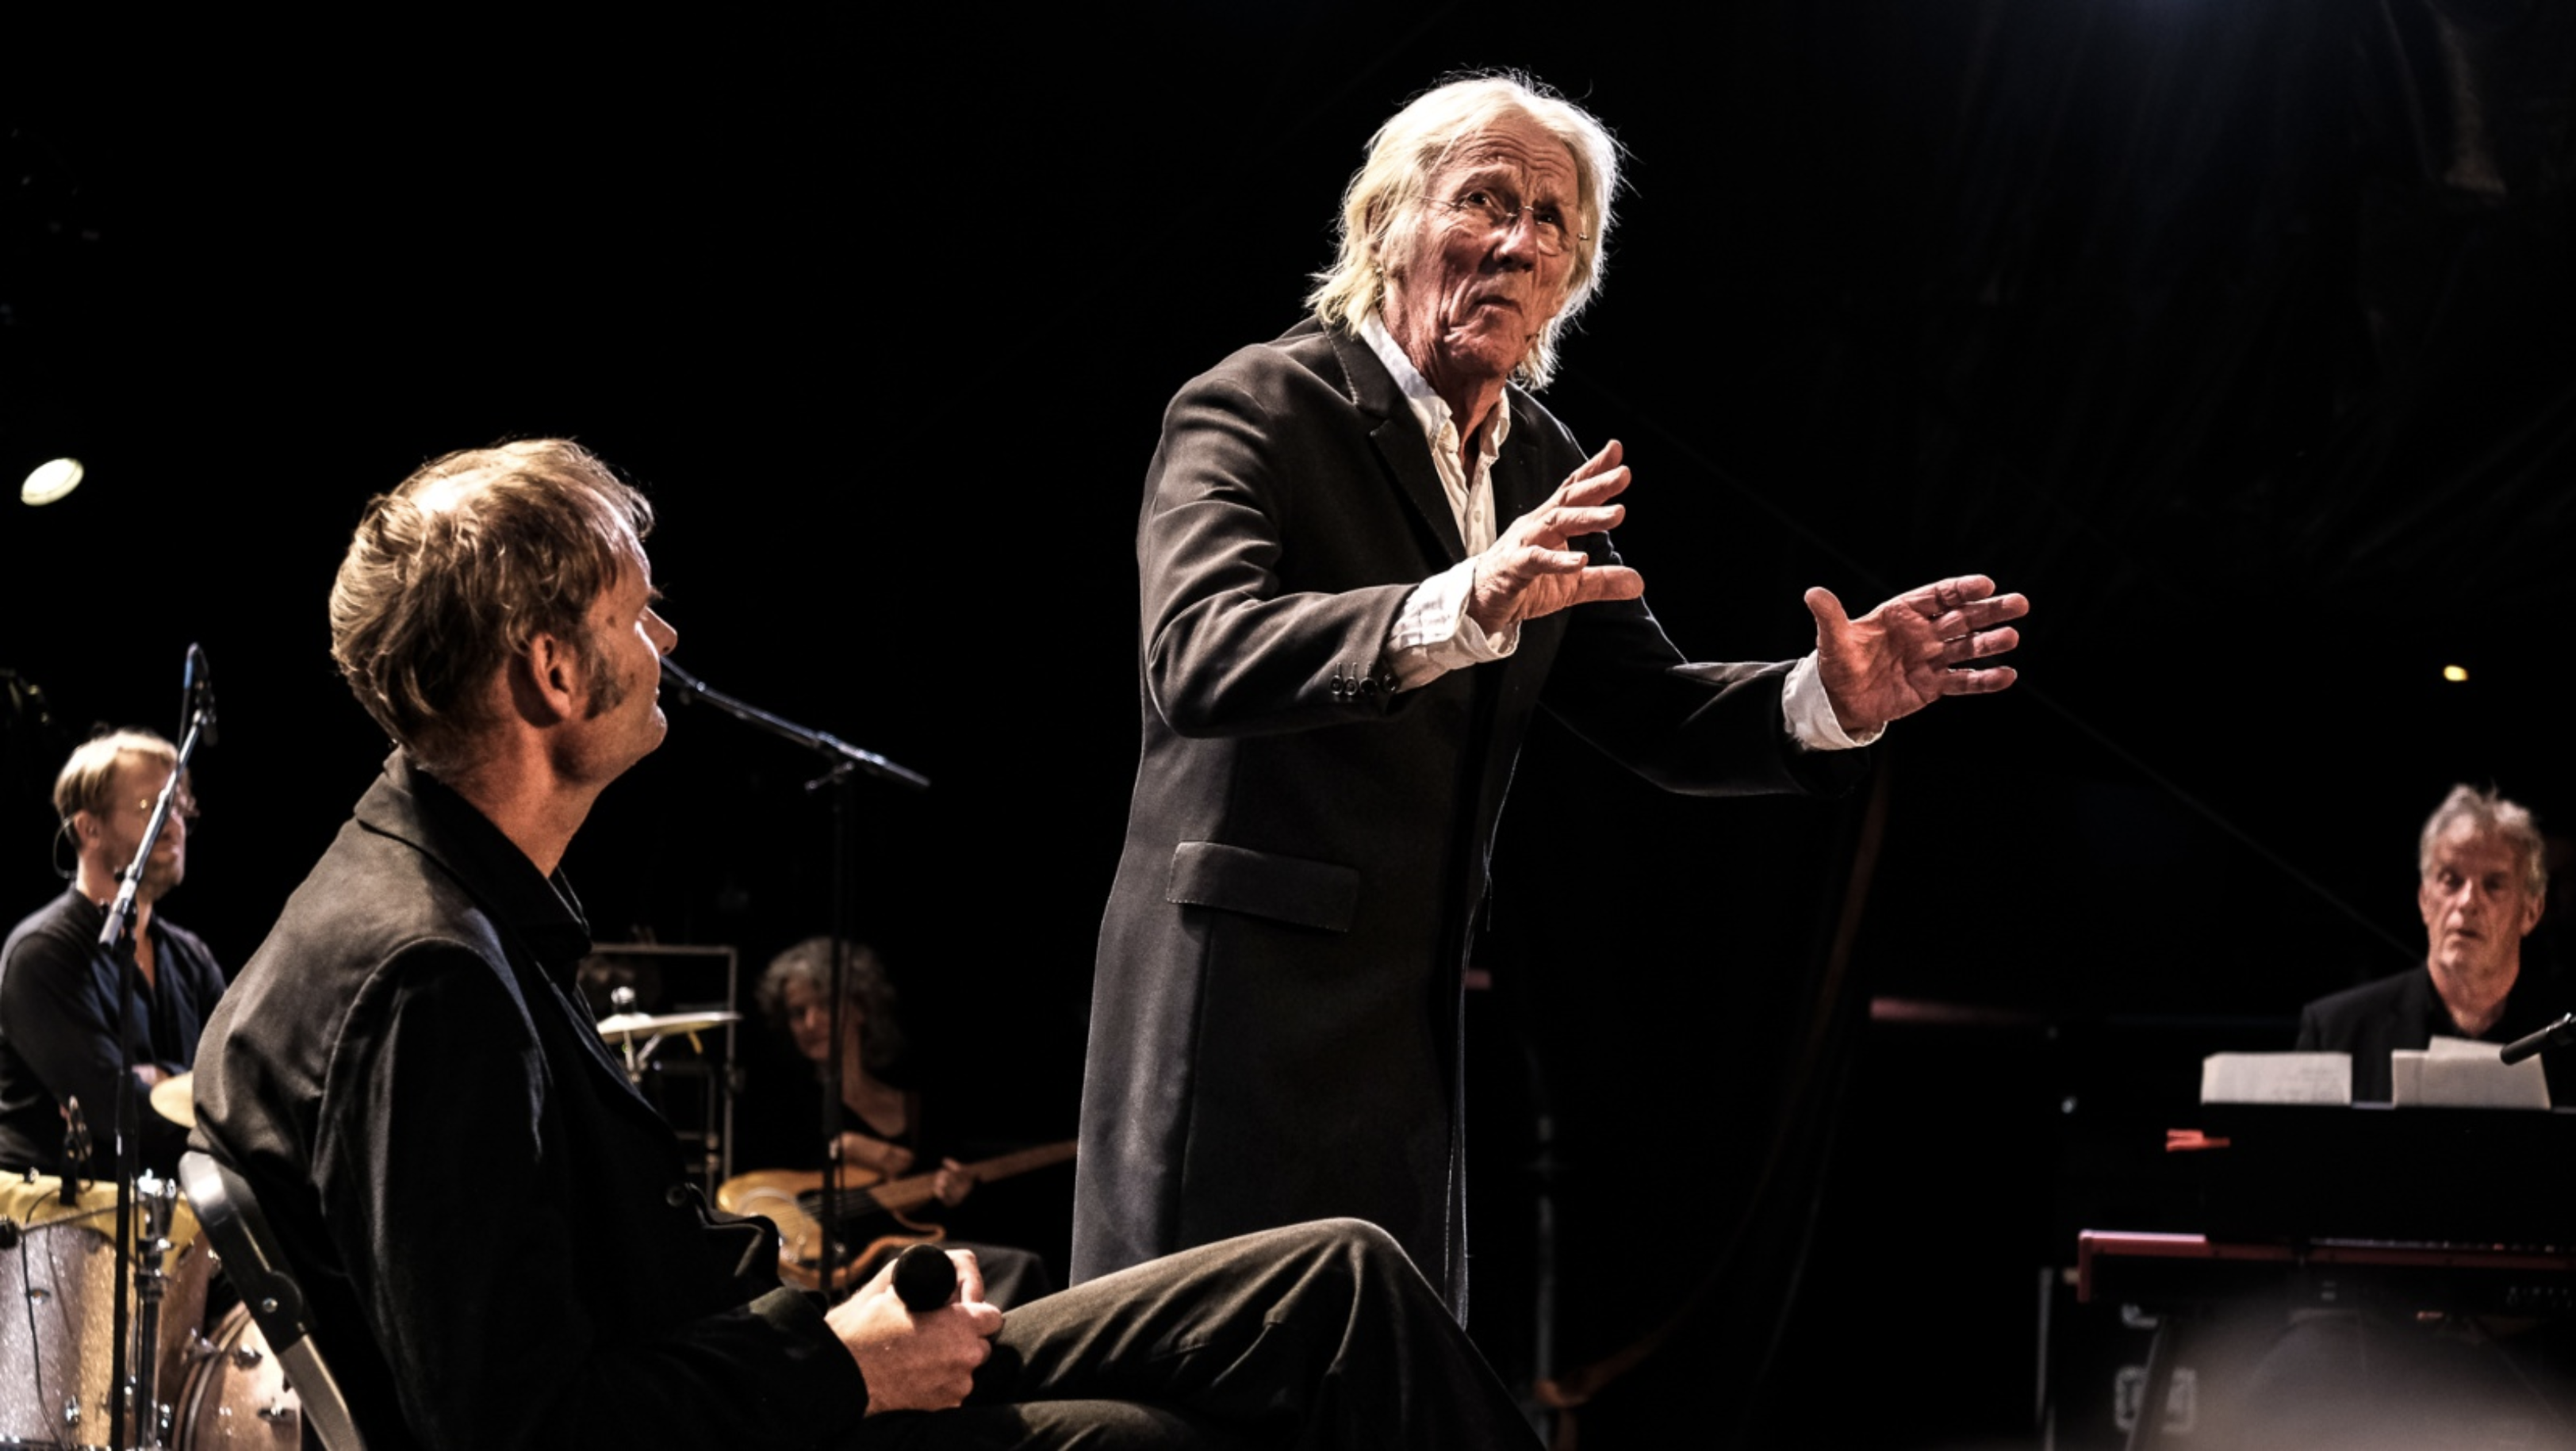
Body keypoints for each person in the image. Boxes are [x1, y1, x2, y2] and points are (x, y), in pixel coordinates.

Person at [191, 438, 1534, 1449]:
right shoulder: (424, 977)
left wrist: (839, 1330)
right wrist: (842, 1366)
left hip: (756, 1368)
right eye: (635, 611)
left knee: (1334, 1283)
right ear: (552, 672)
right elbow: (523, 1427)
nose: (666, 638)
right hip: (765, 1406)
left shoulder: (414, 897)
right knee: (1179, 1424)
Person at [1077, 71, 2030, 1309]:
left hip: (1408, 1035)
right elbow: (1197, 654)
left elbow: (1649, 708)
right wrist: (1463, 599)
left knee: (1377, 1380)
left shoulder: (1538, 459)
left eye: (1553, 223)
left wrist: (1827, 697)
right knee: (1194, 1375)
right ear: (1386, 224)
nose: (1520, 245)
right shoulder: (1258, 405)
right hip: (1233, 1020)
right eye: (1485, 201)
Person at [755, 936, 1057, 1307]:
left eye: (826, 1005)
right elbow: (764, 1194)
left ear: (861, 1008)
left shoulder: (916, 1106)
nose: (811, 1022)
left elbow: (942, 1210)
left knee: (1015, 1266)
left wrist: (956, 1193)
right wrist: (848, 1148)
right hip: (827, 1271)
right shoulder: (787, 1106)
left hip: (911, 1258)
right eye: (797, 1013)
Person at [0, 729, 226, 1176]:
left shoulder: (192, 958)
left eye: (179, 807)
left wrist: (160, 1076)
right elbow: (112, 1109)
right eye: (152, 808)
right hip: (58, 1210)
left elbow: (236, 1085)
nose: (174, 824)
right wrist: (183, 1087)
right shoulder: (43, 954)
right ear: (89, 828)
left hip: (165, 1205)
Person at [2298, 783, 2571, 1102]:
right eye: (2451, 881)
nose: (2467, 902)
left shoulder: (2567, 1038)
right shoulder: (2335, 1032)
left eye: (2493, 884)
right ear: (2425, 899)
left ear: (2532, 911)